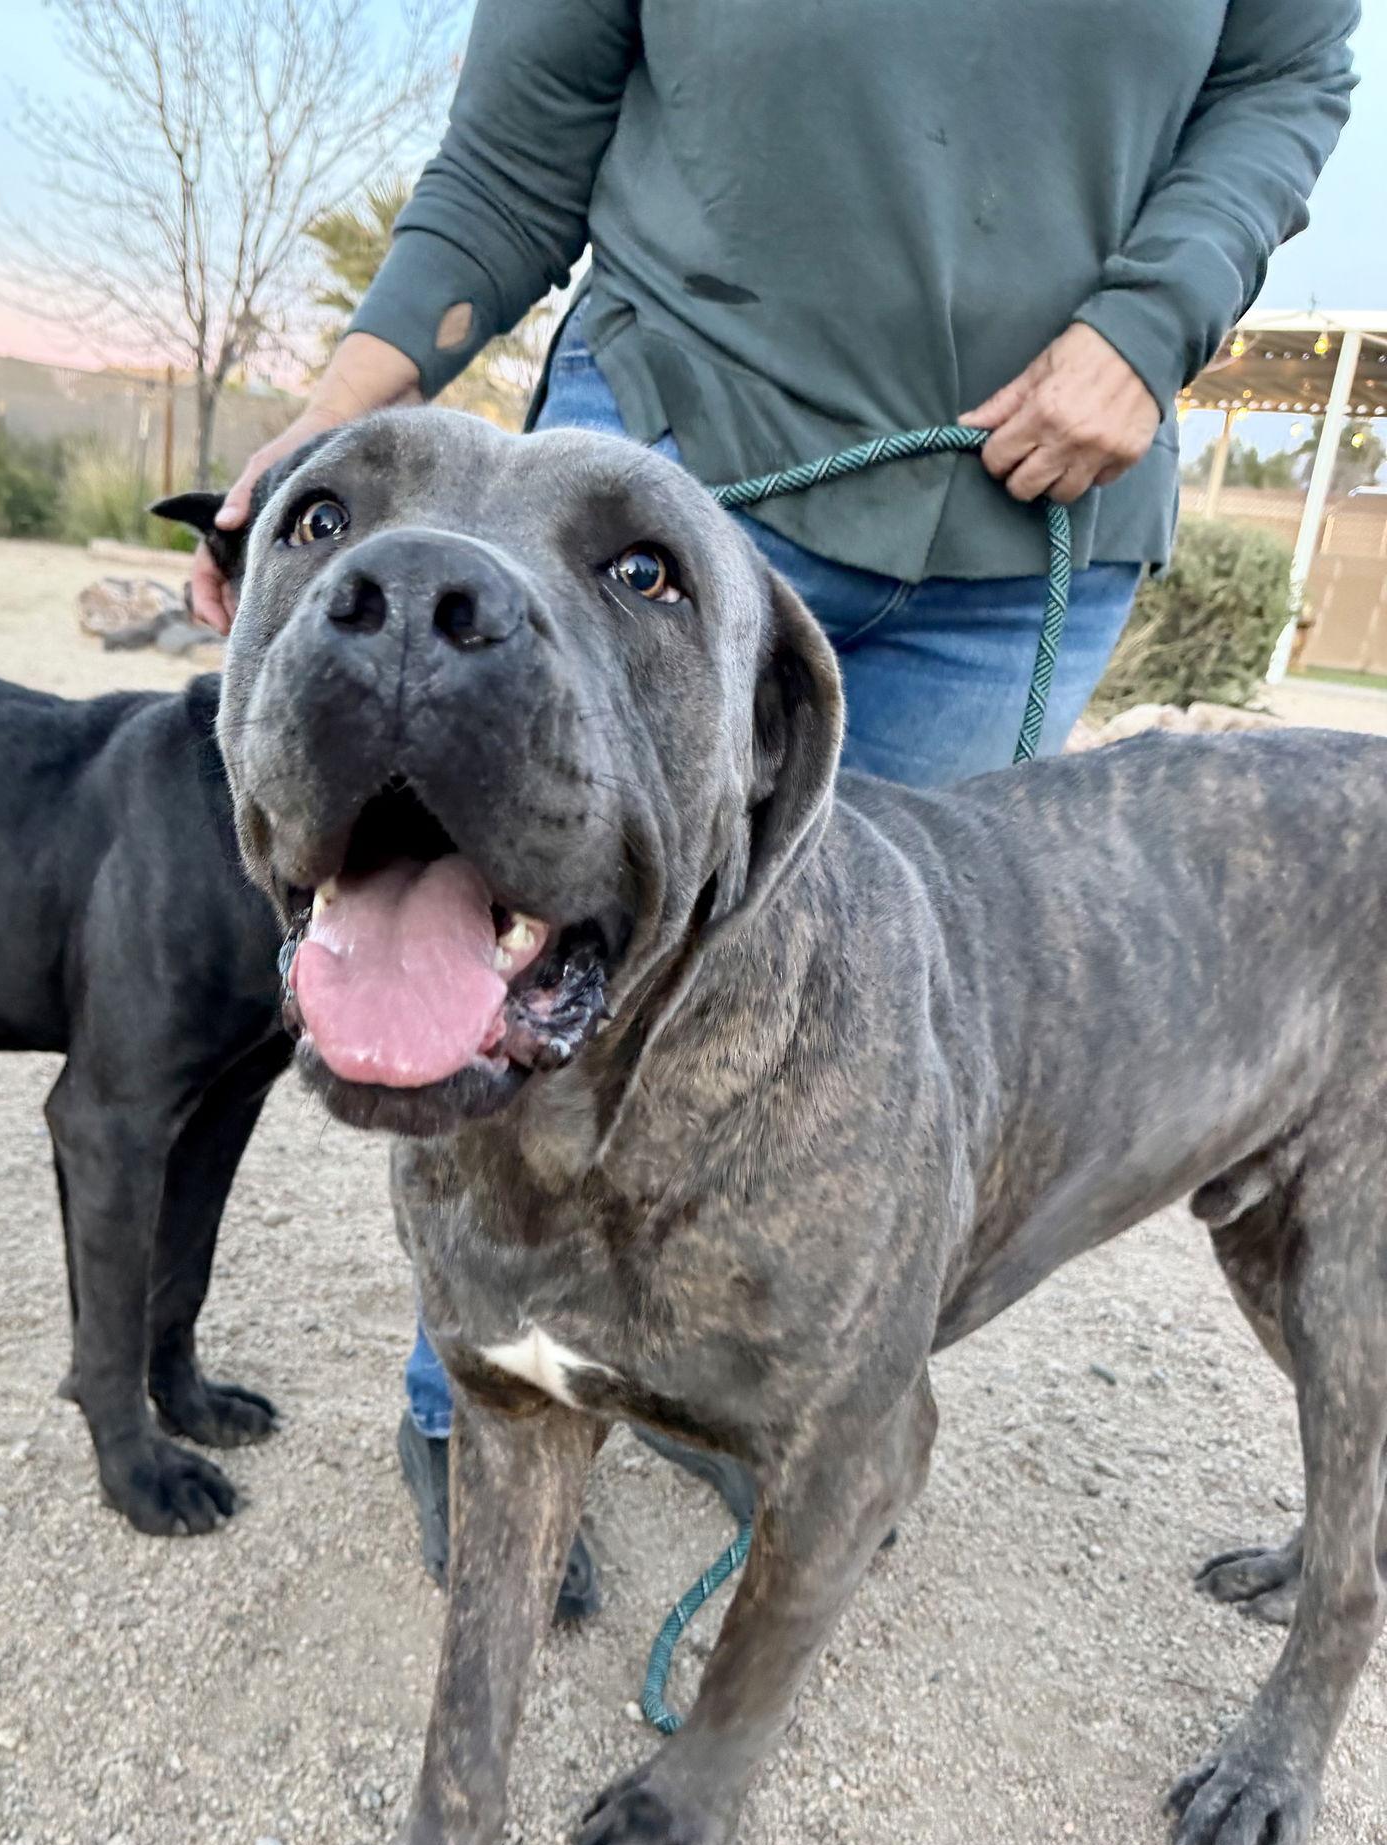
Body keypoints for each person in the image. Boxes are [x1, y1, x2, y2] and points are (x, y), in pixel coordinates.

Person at [195, 0, 1357, 1611]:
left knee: (840, 1082)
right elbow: (516, 149)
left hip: (1026, 537)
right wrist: (329, 440)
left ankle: (723, 1388)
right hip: (654, 486)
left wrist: (1157, 318)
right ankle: (484, 1411)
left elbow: (1287, 68)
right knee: (519, 997)